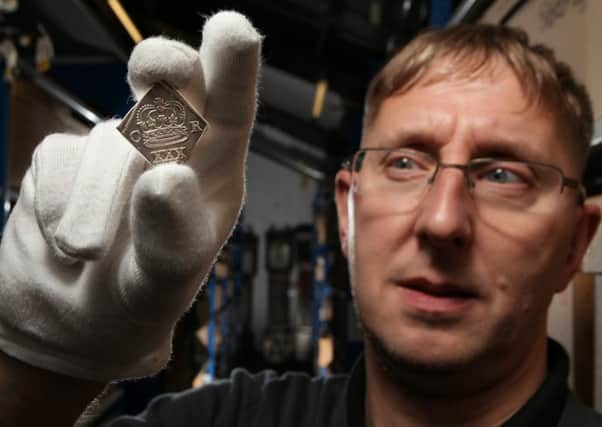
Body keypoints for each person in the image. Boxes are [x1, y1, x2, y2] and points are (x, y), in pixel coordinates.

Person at [0, 10, 601, 427]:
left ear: (576, 243)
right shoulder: (230, 422)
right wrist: (38, 373)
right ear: (348, 210)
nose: (442, 222)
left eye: (503, 175)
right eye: (404, 162)